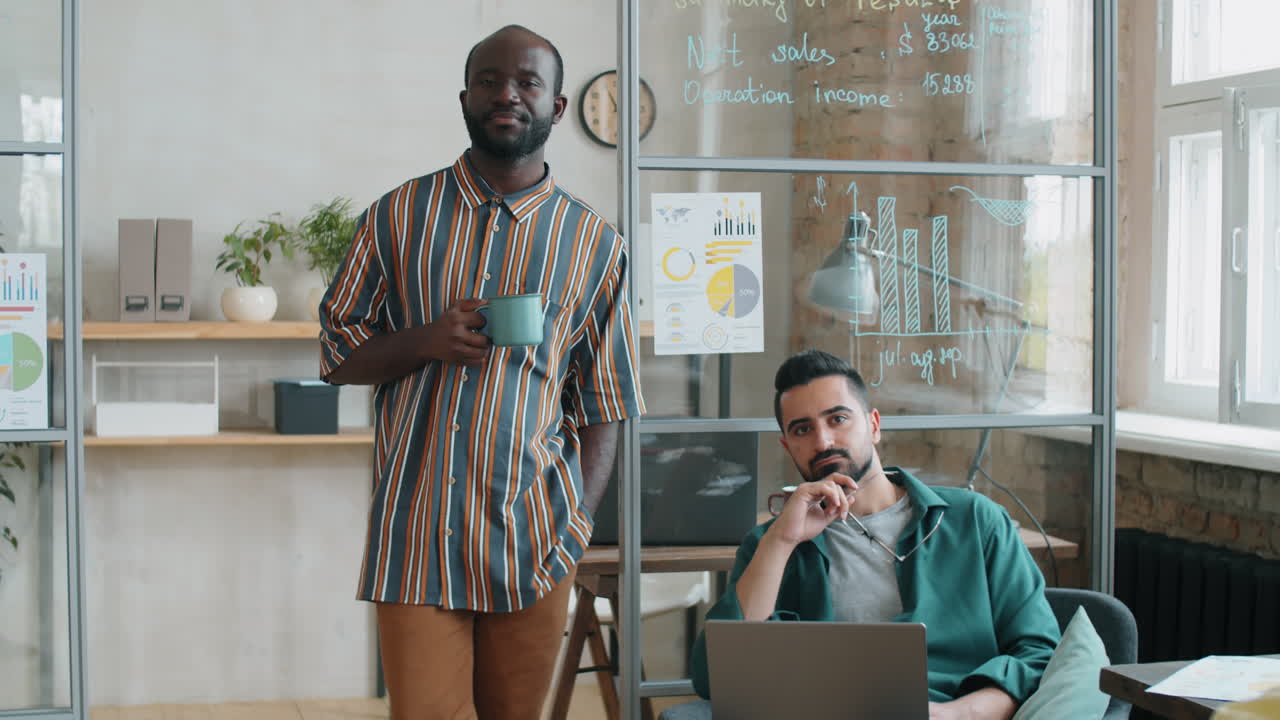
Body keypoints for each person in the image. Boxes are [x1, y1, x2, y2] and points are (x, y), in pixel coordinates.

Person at [319, 24, 645, 720]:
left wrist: (576, 525)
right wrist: (427, 340)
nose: (508, 94)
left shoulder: (596, 245)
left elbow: (605, 401)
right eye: (491, 80)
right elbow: (338, 353)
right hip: (416, 542)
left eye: (528, 82)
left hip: (533, 541)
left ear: (557, 107)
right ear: (465, 97)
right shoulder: (397, 217)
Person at [690, 349, 1059, 720]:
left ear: (875, 426)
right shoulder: (772, 544)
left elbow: (1040, 653)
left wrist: (957, 714)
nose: (823, 442)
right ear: (787, 446)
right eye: (802, 429)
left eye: (838, 419)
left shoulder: (976, 521)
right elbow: (713, 678)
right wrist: (781, 542)